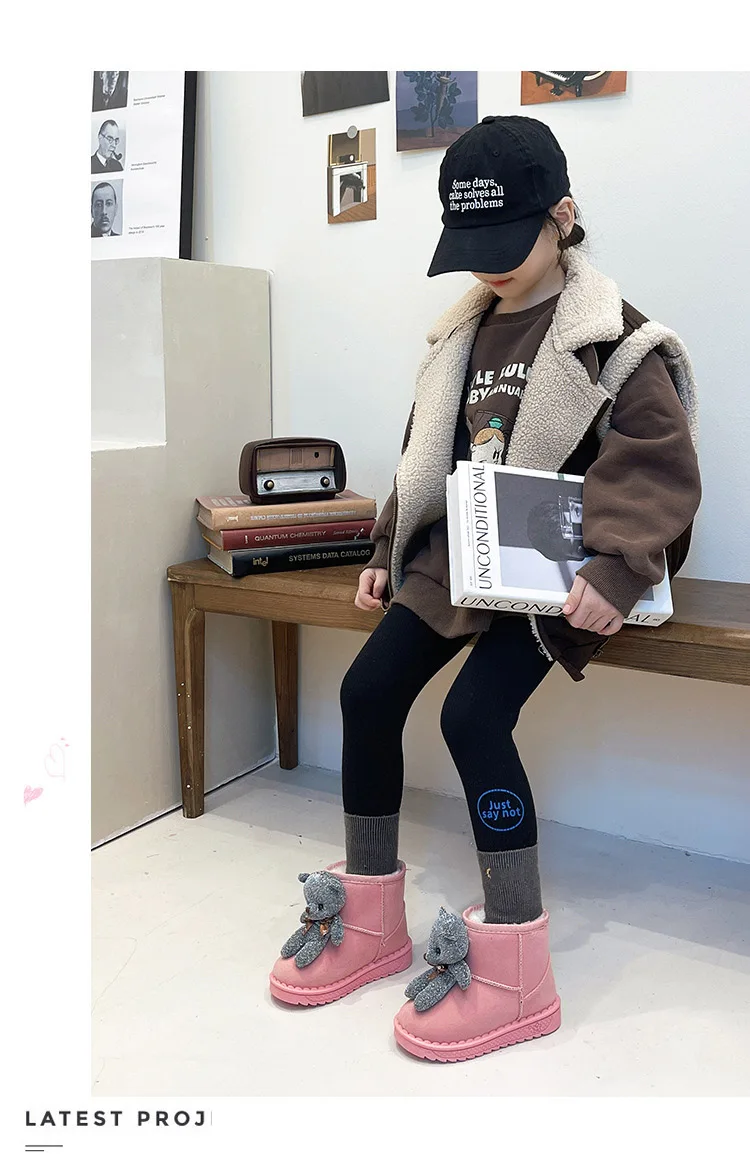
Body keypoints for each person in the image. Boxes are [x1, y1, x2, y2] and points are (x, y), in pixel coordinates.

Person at [268, 116, 701, 1061]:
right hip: (459, 552)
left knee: (472, 718)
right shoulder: (458, 335)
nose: (490, 265)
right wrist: (388, 542)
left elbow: (656, 462)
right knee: (366, 690)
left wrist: (618, 566)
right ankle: (369, 913)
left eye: (508, 241)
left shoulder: (615, 338)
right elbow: (428, 451)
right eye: (473, 245)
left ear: (563, 218)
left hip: (558, 569)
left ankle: (514, 962)